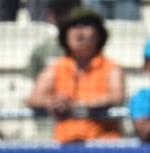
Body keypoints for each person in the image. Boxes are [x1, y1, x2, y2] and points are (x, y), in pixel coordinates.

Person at [29, 7, 124, 144]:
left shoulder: (112, 68)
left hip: (104, 146)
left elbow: (116, 97)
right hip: (66, 146)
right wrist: (52, 102)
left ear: (98, 34)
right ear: (65, 35)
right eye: (73, 26)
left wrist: (77, 105)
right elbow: (33, 99)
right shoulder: (56, 68)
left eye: (85, 25)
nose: (78, 31)